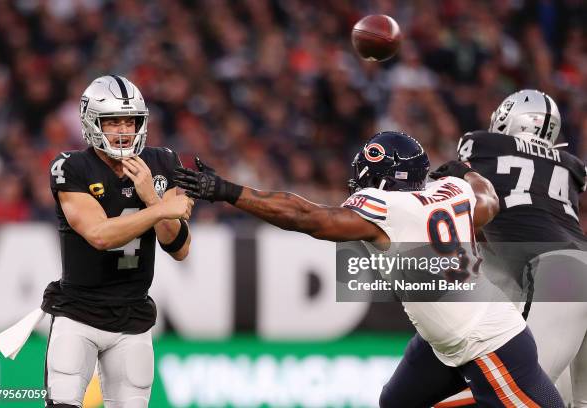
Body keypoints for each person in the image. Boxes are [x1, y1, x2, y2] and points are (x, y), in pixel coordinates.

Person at [176, 131, 564, 407]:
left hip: (488, 344)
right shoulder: (452, 191)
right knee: (396, 402)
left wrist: (226, 190)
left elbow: (306, 217)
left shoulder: (388, 208)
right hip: (445, 341)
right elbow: (489, 199)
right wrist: (464, 171)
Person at [42, 75, 194, 407]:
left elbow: (180, 248)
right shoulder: (72, 166)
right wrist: (159, 210)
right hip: (78, 314)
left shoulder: (162, 163)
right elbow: (99, 235)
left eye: (130, 120)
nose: (124, 130)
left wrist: (152, 200)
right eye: (113, 122)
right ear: (91, 122)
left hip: (133, 317)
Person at [437, 89, 587, 406]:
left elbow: (457, 196)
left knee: (518, 395)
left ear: (508, 119)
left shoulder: (484, 145)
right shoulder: (572, 166)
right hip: (577, 266)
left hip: (559, 274)